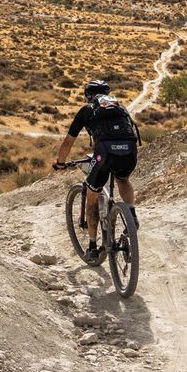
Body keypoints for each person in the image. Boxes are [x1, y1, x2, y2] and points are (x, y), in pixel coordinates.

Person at [52, 78, 140, 262]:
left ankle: (92, 246)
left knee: (92, 192)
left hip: (105, 153)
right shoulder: (120, 107)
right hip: (130, 150)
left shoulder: (87, 110)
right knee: (122, 179)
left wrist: (60, 162)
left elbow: (68, 142)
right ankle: (131, 214)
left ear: (88, 96)